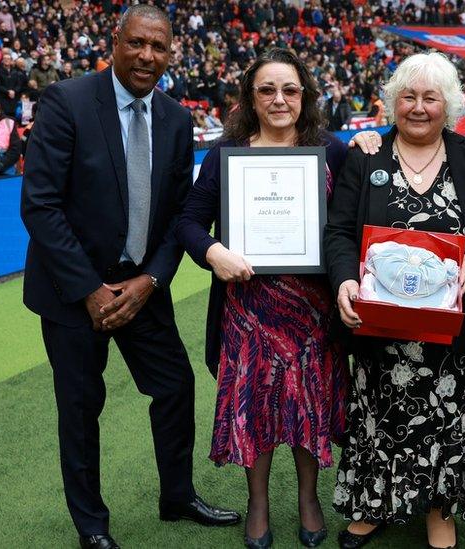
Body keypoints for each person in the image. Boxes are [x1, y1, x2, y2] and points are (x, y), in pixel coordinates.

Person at [20, 6, 241, 548]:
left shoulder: (174, 116)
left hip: (142, 288)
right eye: (137, 43)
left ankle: (177, 495)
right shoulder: (67, 101)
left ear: (171, 53)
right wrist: (91, 290)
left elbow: (176, 214)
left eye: (159, 47)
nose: (147, 55)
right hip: (73, 293)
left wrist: (151, 281)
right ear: (115, 42)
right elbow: (40, 206)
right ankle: (91, 527)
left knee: (175, 386)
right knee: (80, 408)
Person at [324, 51, 465, 549]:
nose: (419, 107)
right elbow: (339, 232)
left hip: (454, 330)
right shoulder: (365, 155)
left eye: (431, 97)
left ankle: (439, 510)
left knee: (449, 420)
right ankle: (375, 504)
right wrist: (344, 280)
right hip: (381, 325)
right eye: (409, 96)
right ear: (392, 103)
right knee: (378, 416)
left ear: (449, 105)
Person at [175, 47, 348, 549]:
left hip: (313, 310)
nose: (279, 99)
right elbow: (188, 222)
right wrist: (213, 252)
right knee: (255, 407)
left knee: (309, 404)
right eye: (267, 90)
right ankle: (258, 503)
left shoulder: (332, 151)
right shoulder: (226, 155)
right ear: (251, 98)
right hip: (247, 309)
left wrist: (365, 145)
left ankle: (310, 499)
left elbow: (351, 224)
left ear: (304, 96)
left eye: (289, 90)